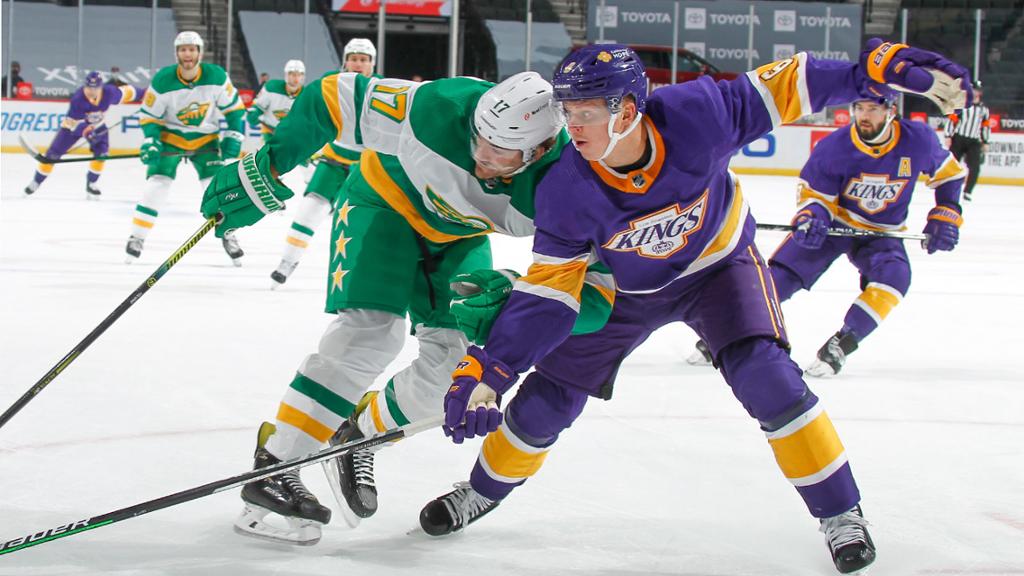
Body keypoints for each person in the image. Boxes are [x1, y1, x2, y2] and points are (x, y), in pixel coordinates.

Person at [423, 41, 971, 575]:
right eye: (567, 112)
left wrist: (869, 71)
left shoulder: (697, 115)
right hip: (624, 290)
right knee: (547, 398)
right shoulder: (565, 188)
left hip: (719, 269)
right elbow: (549, 292)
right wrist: (493, 367)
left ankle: (841, 514)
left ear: (628, 110)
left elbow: (790, 86)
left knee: (768, 378)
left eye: (585, 112)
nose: (573, 127)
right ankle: (482, 490)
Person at [200, 68, 613, 545]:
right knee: (372, 332)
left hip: (459, 238)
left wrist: (515, 296)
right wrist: (269, 164)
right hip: (384, 202)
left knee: (452, 374)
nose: (480, 160)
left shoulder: (567, 186)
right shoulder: (439, 107)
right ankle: (275, 463)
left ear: (539, 151)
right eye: (478, 141)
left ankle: (358, 431)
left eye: (500, 154)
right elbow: (332, 96)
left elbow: (598, 298)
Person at [688, 95, 966, 376]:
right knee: (779, 278)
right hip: (834, 226)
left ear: (891, 111)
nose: (864, 116)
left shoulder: (918, 140)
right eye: (859, 108)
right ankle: (724, 333)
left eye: (873, 109)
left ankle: (842, 343)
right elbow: (814, 195)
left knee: (895, 279)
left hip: (881, 233)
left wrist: (945, 214)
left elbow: (950, 176)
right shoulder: (835, 147)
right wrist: (812, 217)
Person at [126, 31, 246, 265]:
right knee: (156, 186)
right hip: (172, 138)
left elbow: (235, 109)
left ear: (199, 52)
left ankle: (229, 236)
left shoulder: (217, 76)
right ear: (177, 53)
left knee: (216, 191)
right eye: (183, 49)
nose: (187, 54)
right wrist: (151, 139)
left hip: (205, 141)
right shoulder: (163, 80)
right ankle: (136, 237)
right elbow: (149, 116)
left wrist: (234, 135)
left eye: (192, 49)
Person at [268, 38, 376, 288]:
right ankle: (287, 261)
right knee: (309, 210)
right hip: (333, 161)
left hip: (368, 168)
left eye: (363, 59)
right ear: (345, 62)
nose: (358, 64)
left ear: (372, 63)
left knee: (365, 223)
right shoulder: (330, 85)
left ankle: (361, 275)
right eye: (353, 58)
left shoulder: (382, 89)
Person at [23, 71, 137, 199]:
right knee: (52, 155)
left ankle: (92, 183)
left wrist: (149, 95)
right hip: (71, 128)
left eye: (95, 88)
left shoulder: (109, 92)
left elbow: (130, 92)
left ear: (101, 87)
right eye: (89, 87)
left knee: (102, 154)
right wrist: (88, 133)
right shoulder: (78, 99)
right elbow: (76, 125)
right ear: (85, 86)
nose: (91, 91)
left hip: (98, 126)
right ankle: (36, 181)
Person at [944, 80, 989, 201]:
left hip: (974, 141)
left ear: (980, 92)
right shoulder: (962, 105)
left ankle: (967, 191)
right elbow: (951, 120)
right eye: (973, 90)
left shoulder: (984, 110)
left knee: (975, 167)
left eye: (977, 90)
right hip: (959, 138)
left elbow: (985, 127)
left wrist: (985, 142)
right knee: (952, 166)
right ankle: (949, 189)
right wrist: (948, 136)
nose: (975, 93)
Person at [247, 59, 306, 145]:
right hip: (270, 130)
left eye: (299, 75)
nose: (296, 78)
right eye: (292, 75)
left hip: (292, 134)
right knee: (272, 154)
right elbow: (258, 106)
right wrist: (254, 112)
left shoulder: (305, 95)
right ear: (286, 75)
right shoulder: (271, 88)